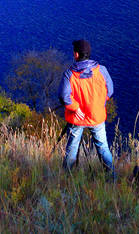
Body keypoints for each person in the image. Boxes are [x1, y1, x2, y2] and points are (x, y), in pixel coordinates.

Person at [59, 39, 115, 177]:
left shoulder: (69, 74)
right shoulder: (102, 70)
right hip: (96, 116)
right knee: (103, 147)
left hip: (77, 118)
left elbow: (63, 96)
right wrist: (99, 104)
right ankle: (111, 177)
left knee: (72, 148)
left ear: (76, 55)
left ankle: (67, 177)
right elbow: (110, 91)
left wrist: (75, 108)